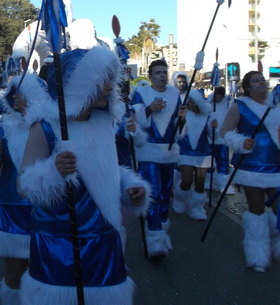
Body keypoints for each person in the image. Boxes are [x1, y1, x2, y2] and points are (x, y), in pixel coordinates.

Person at [18, 46, 151, 304]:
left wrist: (130, 188)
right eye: (101, 80)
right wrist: (53, 171)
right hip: (58, 242)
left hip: (104, 237)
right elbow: (23, 185)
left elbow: (105, 170)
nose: (109, 87)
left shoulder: (105, 123)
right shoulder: (45, 126)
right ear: (77, 85)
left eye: (110, 79)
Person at [0, 74, 56, 304]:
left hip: (45, 210)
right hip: (10, 209)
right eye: (14, 93)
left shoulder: (55, 126)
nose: (17, 97)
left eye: (23, 93)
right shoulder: (5, 125)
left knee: (46, 274)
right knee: (14, 273)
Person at [220, 70, 280, 273]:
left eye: (262, 79)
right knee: (256, 211)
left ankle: (276, 242)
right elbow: (224, 131)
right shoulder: (240, 106)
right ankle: (257, 255)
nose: (261, 82)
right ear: (248, 86)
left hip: (278, 166)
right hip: (252, 167)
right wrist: (240, 142)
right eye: (256, 80)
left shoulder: (277, 104)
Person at [131, 59, 184, 260]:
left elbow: (178, 126)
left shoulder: (174, 94)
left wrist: (183, 118)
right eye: (158, 72)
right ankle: (154, 241)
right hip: (149, 151)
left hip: (169, 152)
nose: (162, 75)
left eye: (165, 72)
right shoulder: (141, 93)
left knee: (164, 194)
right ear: (150, 75)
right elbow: (133, 120)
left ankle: (160, 231)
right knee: (153, 194)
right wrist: (149, 109)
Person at [173, 89, 215, 220]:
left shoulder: (208, 116)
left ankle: (196, 208)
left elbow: (214, 136)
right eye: (189, 101)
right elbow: (177, 134)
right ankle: (180, 199)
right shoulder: (182, 115)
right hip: (185, 152)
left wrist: (215, 128)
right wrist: (181, 120)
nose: (191, 104)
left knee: (200, 182)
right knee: (186, 181)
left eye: (194, 102)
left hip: (203, 153)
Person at [207, 86, 235, 195]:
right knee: (209, 162)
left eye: (219, 97)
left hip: (222, 139)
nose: (217, 99)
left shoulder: (229, 103)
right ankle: (209, 181)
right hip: (210, 138)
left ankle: (223, 183)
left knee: (223, 161)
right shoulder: (208, 102)